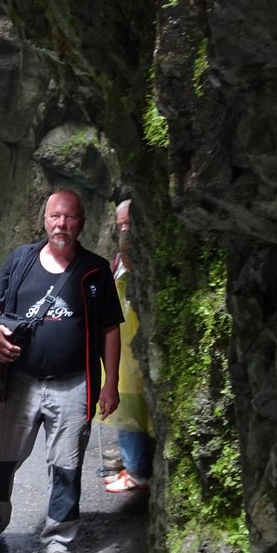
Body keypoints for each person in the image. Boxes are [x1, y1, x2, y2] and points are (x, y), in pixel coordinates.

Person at [0, 190, 123, 553]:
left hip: (73, 384)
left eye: (69, 218)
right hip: (20, 383)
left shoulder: (95, 270)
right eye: (55, 216)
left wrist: (111, 383)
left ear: (81, 223)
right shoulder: (21, 260)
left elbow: (109, 329)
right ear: (45, 219)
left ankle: (58, 539)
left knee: (67, 466)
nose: (61, 224)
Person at [101, 198, 155, 493]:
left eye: (129, 224)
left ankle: (137, 470)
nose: (124, 230)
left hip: (134, 342)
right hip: (124, 341)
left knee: (131, 404)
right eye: (120, 224)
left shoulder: (135, 255)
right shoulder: (121, 257)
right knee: (126, 402)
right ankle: (135, 464)